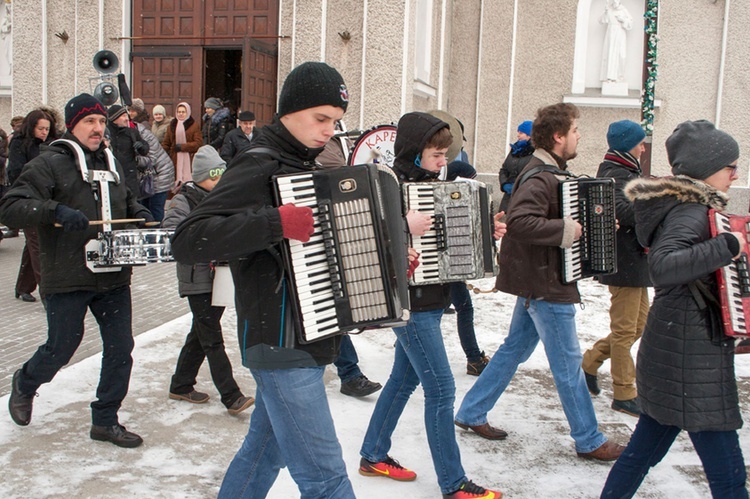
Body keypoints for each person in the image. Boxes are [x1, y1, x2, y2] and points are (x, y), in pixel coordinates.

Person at [171, 61, 355, 498]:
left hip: (310, 335)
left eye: (337, 122)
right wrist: (275, 223)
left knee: (264, 452)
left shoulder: (306, 165)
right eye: (321, 118)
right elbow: (188, 239)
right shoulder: (259, 163)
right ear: (290, 111)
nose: (330, 130)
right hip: (278, 339)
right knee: (326, 478)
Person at [455, 103, 625, 462]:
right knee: (567, 365)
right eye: (575, 130)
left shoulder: (553, 173)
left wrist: (593, 229)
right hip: (546, 285)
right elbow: (520, 222)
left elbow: (556, 220)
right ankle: (589, 439)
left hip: (540, 280)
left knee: (513, 350)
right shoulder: (539, 176)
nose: (580, 136)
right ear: (558, 136)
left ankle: (471, 412)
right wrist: (567, 230)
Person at [358, 111, 503, 499]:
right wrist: (403, 226)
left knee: (403, 381)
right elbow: (363, 239)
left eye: (444, 155)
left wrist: (486, 231)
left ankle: (373, 454)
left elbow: (450, 241)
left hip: (433, 299)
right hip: (412, 305)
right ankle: (453, 483)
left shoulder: (430, 184)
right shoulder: (388, 184)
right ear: (414, 150)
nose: (443, 163)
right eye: (437, 155)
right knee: (440, 389)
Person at [600, 120, 748, 498]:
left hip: (678, 348)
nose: (735, 173)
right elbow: (664, 266)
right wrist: (728, 246)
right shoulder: (691, 212)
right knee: (729, 477)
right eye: (730, 166)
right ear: (705, 169)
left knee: (640, 454)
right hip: (691, 358)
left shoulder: (691, 208)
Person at [1, 93, 155, 448]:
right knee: (61, 347)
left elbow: (125, 200)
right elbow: (10, 207)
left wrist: (139, 212)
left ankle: (105, 419)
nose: (98, 128)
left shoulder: (110, 161)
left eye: (101, 122)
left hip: (113, 275)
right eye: (90, 121)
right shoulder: (50, 162)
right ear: (72, 125)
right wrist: (54, 211)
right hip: (68, 275)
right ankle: (25, 382)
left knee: (121, 348)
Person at [164, 145, 255, 415]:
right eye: (214, 177)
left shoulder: (223, 198)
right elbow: (171, 232)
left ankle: (181, 384)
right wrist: (206, 234)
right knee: (212, 338)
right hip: (197, 278)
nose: (218, 183)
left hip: (219, 278)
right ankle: (231, 396)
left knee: (201, 332)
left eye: (221, 177)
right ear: (200, 177)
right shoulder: (184, 200)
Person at [582, 120, 651, 417]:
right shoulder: (616, 174)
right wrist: (653, 202)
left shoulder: (628, 171)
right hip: (624, 263)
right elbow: (624, 210)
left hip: (636, 262)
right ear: (627, 145)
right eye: (640, 142)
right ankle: (624, 392)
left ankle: (590, 362)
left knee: (639, 325)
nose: (643, 147)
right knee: (624, 331)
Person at [8, 109, 59, 304]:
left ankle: (23, 287)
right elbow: (16, 172)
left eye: (47, 128)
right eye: (41, 128)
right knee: (38, 243)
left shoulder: (51, 144)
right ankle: (48, 293)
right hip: (26, 200)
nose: (44, 132)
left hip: (47, 198)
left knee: (34, 244)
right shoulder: (20, 143)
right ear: (32, 127)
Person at [445, 159, 491, 376]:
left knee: (430, 312)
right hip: (449, 266)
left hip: (450, 266)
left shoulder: (443, 192)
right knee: (464, 308)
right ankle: (473, 358)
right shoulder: (452, 197)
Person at [131, 101, 175, 222]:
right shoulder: (143, 128)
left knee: (155, 208)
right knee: (145, 208)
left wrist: (132, 160)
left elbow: (152, 158)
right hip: (148, 176)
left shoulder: (144, 133)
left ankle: (157, 233)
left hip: (160, 174)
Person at [106, 104, 150, 198]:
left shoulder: (132, 132)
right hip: (111, 178)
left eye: (127, 115)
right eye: (123, 116)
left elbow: (145, 149)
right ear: (114, 119)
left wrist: (141, 146)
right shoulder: (106, 134)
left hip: (129, 179)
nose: (127, 119)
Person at [162, 102, 202, 193]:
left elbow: (198, 143)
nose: (181, 114)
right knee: (175, 181)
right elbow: (166, 143)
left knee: (188, 182)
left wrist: (182, 147)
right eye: (179, 112)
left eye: (183, 112)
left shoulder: (194, 125)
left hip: (189, 157)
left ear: (187, 112)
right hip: (174, 158)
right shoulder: (171, 126)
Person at [498, 120, 534, 215]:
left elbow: (534, 175)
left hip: (525, 200)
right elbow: (503, 170)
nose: (518, 135)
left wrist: (518, 187)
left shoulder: (535, 153)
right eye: (518, 132)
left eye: (521, 133)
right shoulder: (515, 150)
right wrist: (504, 184)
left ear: (529, 135)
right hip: (508, 200)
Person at [600, 0, 633, 83]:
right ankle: (609, 76)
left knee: (621, 55)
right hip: (611, 34)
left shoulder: (623, 10)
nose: (614, 4)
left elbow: (630, 23)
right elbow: (601, 20)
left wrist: (623, 20)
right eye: (613, 2)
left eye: (616, 2)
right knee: (610, 53)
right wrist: (606, 12)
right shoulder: (609, 10)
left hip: (620, 33)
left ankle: (619, 76)